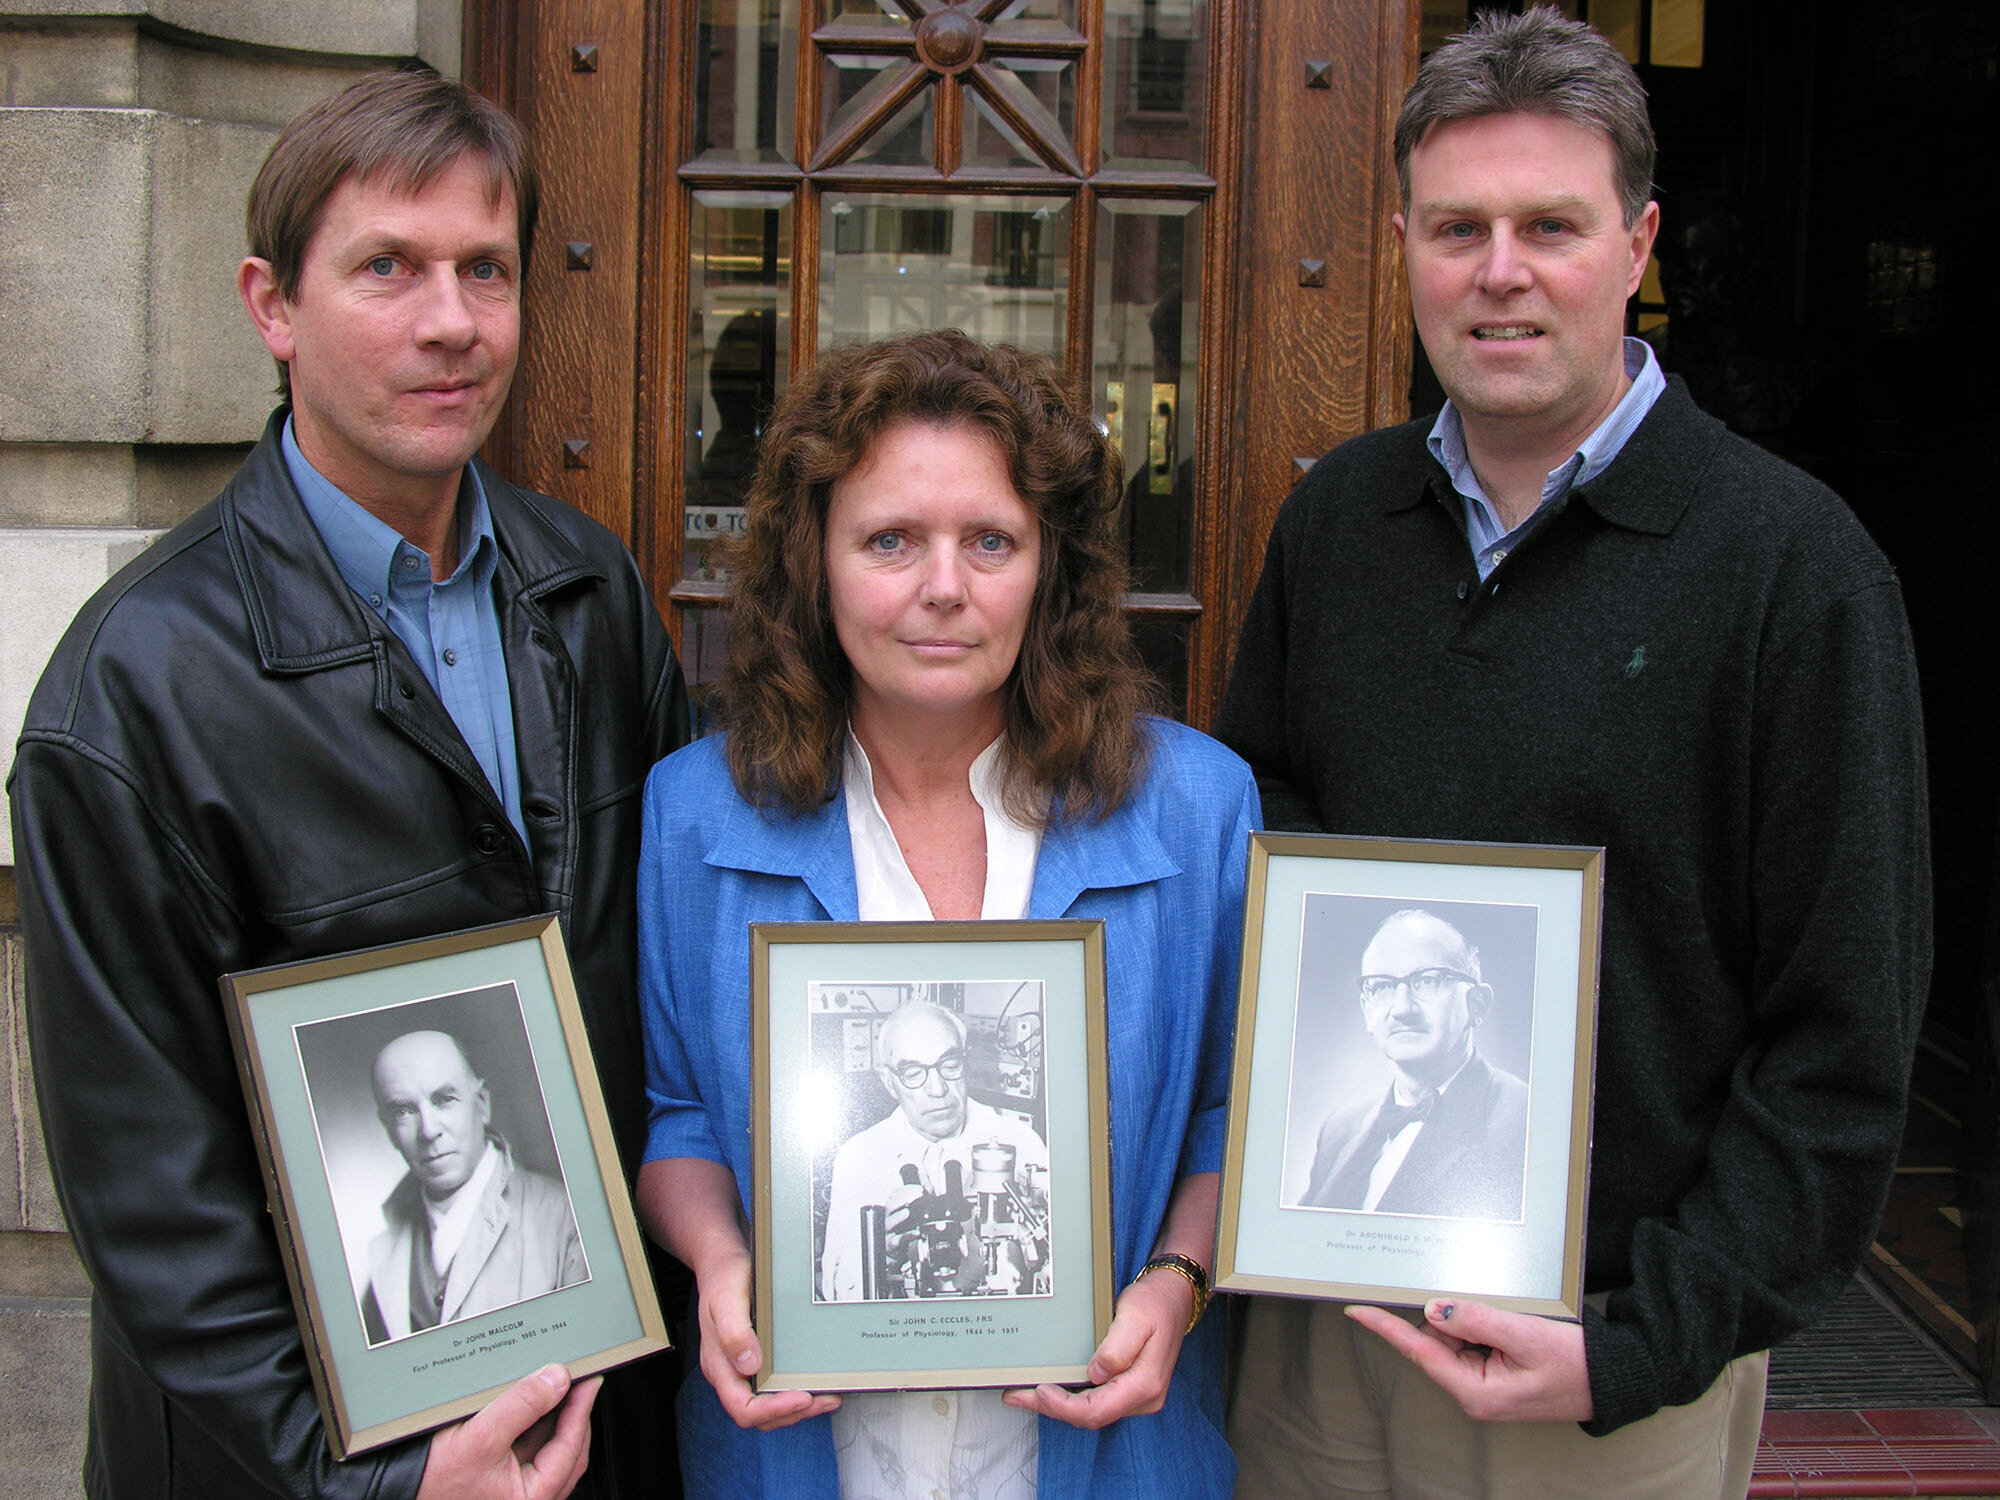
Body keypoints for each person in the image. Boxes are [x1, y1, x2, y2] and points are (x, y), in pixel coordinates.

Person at [1216, 9, 1929, 1498]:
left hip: (1605, 1365)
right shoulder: (1337, 524)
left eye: (1552, 223)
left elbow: (1844, 1033)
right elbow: (1267, 846)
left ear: (1638, 240)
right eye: (1459, 226)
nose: (1501, 271)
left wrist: (1650, 1339)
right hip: (1324, 1325)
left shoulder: (1795, 572)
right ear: (1401, 235)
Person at [8, 71, 687, 1499]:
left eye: (484, 270)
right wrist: (368, 1478)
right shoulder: (131, 692)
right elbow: (152, 1196)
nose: (452, 321)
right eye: (389, 267)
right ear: (272, 305)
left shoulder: (591, 595)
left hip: (590, 1408)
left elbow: (661, 988)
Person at [636, 329, 1256, 1499]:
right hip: (802, 1453)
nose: (942, 587)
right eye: (887, 541)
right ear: (812, 562)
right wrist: (719, 1265)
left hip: (1100, 1452)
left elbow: (1234, 1116)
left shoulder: (1193, 810)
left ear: (1049, 564)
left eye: (989, 540)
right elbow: (677, 1115)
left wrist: (1174, 1284)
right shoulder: (694, 814)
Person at [1298, 910, 1528, 1220]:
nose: (1402, 1008)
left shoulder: (1527, 1123)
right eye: (1382, 986)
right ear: (1367, 1009)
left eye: (1428, 981)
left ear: (1477, 1004)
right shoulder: (1339, 1129)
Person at [361, 1030, 587, 1344]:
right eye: (403, 1111)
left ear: (481, 1103)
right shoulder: (380, 1257)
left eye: (444, 1100)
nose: (428, 1130)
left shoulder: (568, 1217)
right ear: (388, 1130)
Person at [817, 1001, 1050, 1303]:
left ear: (966, 1063)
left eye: (950, 1065)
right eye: (913, 1072)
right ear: (889, 1082)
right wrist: (880, 1254)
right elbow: (836, 1292)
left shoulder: (1019, 1143)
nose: (938, 1089)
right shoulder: (858, 1157)